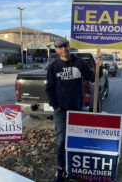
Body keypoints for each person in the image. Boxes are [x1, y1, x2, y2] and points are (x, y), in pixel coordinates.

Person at [45, 38, 103, 182]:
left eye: (65, 45)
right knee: (61, 140)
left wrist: (99, 67)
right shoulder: (53, 67)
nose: (63, 49)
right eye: (59, 47)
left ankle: (76, 169)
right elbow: (49, 89)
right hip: (61, 111)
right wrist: (55, 106)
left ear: (68, 46)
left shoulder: (79, 63)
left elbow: (93, 77)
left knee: (77, 140)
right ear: (56, 50)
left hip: (77, 108)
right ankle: (60, 169)